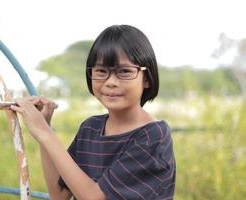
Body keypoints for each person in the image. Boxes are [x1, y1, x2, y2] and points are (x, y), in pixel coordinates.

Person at [10, 24, 176, 200]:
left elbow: (95, 198)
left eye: (125, 71)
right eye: (101, 71)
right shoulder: (91, 128)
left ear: (147, 79)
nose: (111, 82)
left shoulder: (153, 136)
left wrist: (44, 133)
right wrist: (45, 127)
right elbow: (59, 194)